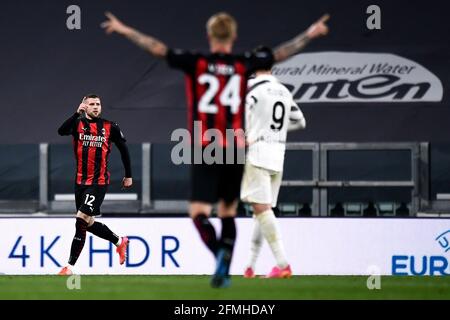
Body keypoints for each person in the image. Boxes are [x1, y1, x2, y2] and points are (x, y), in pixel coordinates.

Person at [101, 11, 328, 287]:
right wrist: (311, 33)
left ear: (209, 36)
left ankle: (219, 253)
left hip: (206, 146)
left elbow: (158, 49)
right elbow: (281, 53)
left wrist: (125, 30)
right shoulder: (244, 64)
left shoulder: (197, 62)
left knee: (198, 212)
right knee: (228, 212)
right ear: (233, 37)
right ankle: (230, 258)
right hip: (235, 148)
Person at [241, 46, 306, 279]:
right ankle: (249, 267)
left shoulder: (250, 88)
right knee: (262, 210)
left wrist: (253, 133)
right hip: (278, 153)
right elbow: (300, 122)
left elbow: (240, 117)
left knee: (261, 209)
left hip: (258, 152)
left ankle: (283, 264)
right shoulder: (282, 90)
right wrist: (273, 130)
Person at [57, 94, 133, 275]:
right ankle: (119, 241)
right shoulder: (77, 124)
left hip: (98, 182)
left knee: (80, 220)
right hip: (80, 182)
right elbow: (61, 131)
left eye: (98, 104)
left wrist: (128, 175)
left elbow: (124, 150)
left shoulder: (110, 127)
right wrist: (76, 114)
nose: (96, 107)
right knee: (88, 223)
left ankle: (69, 267)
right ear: (84, 106)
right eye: (91, 104)